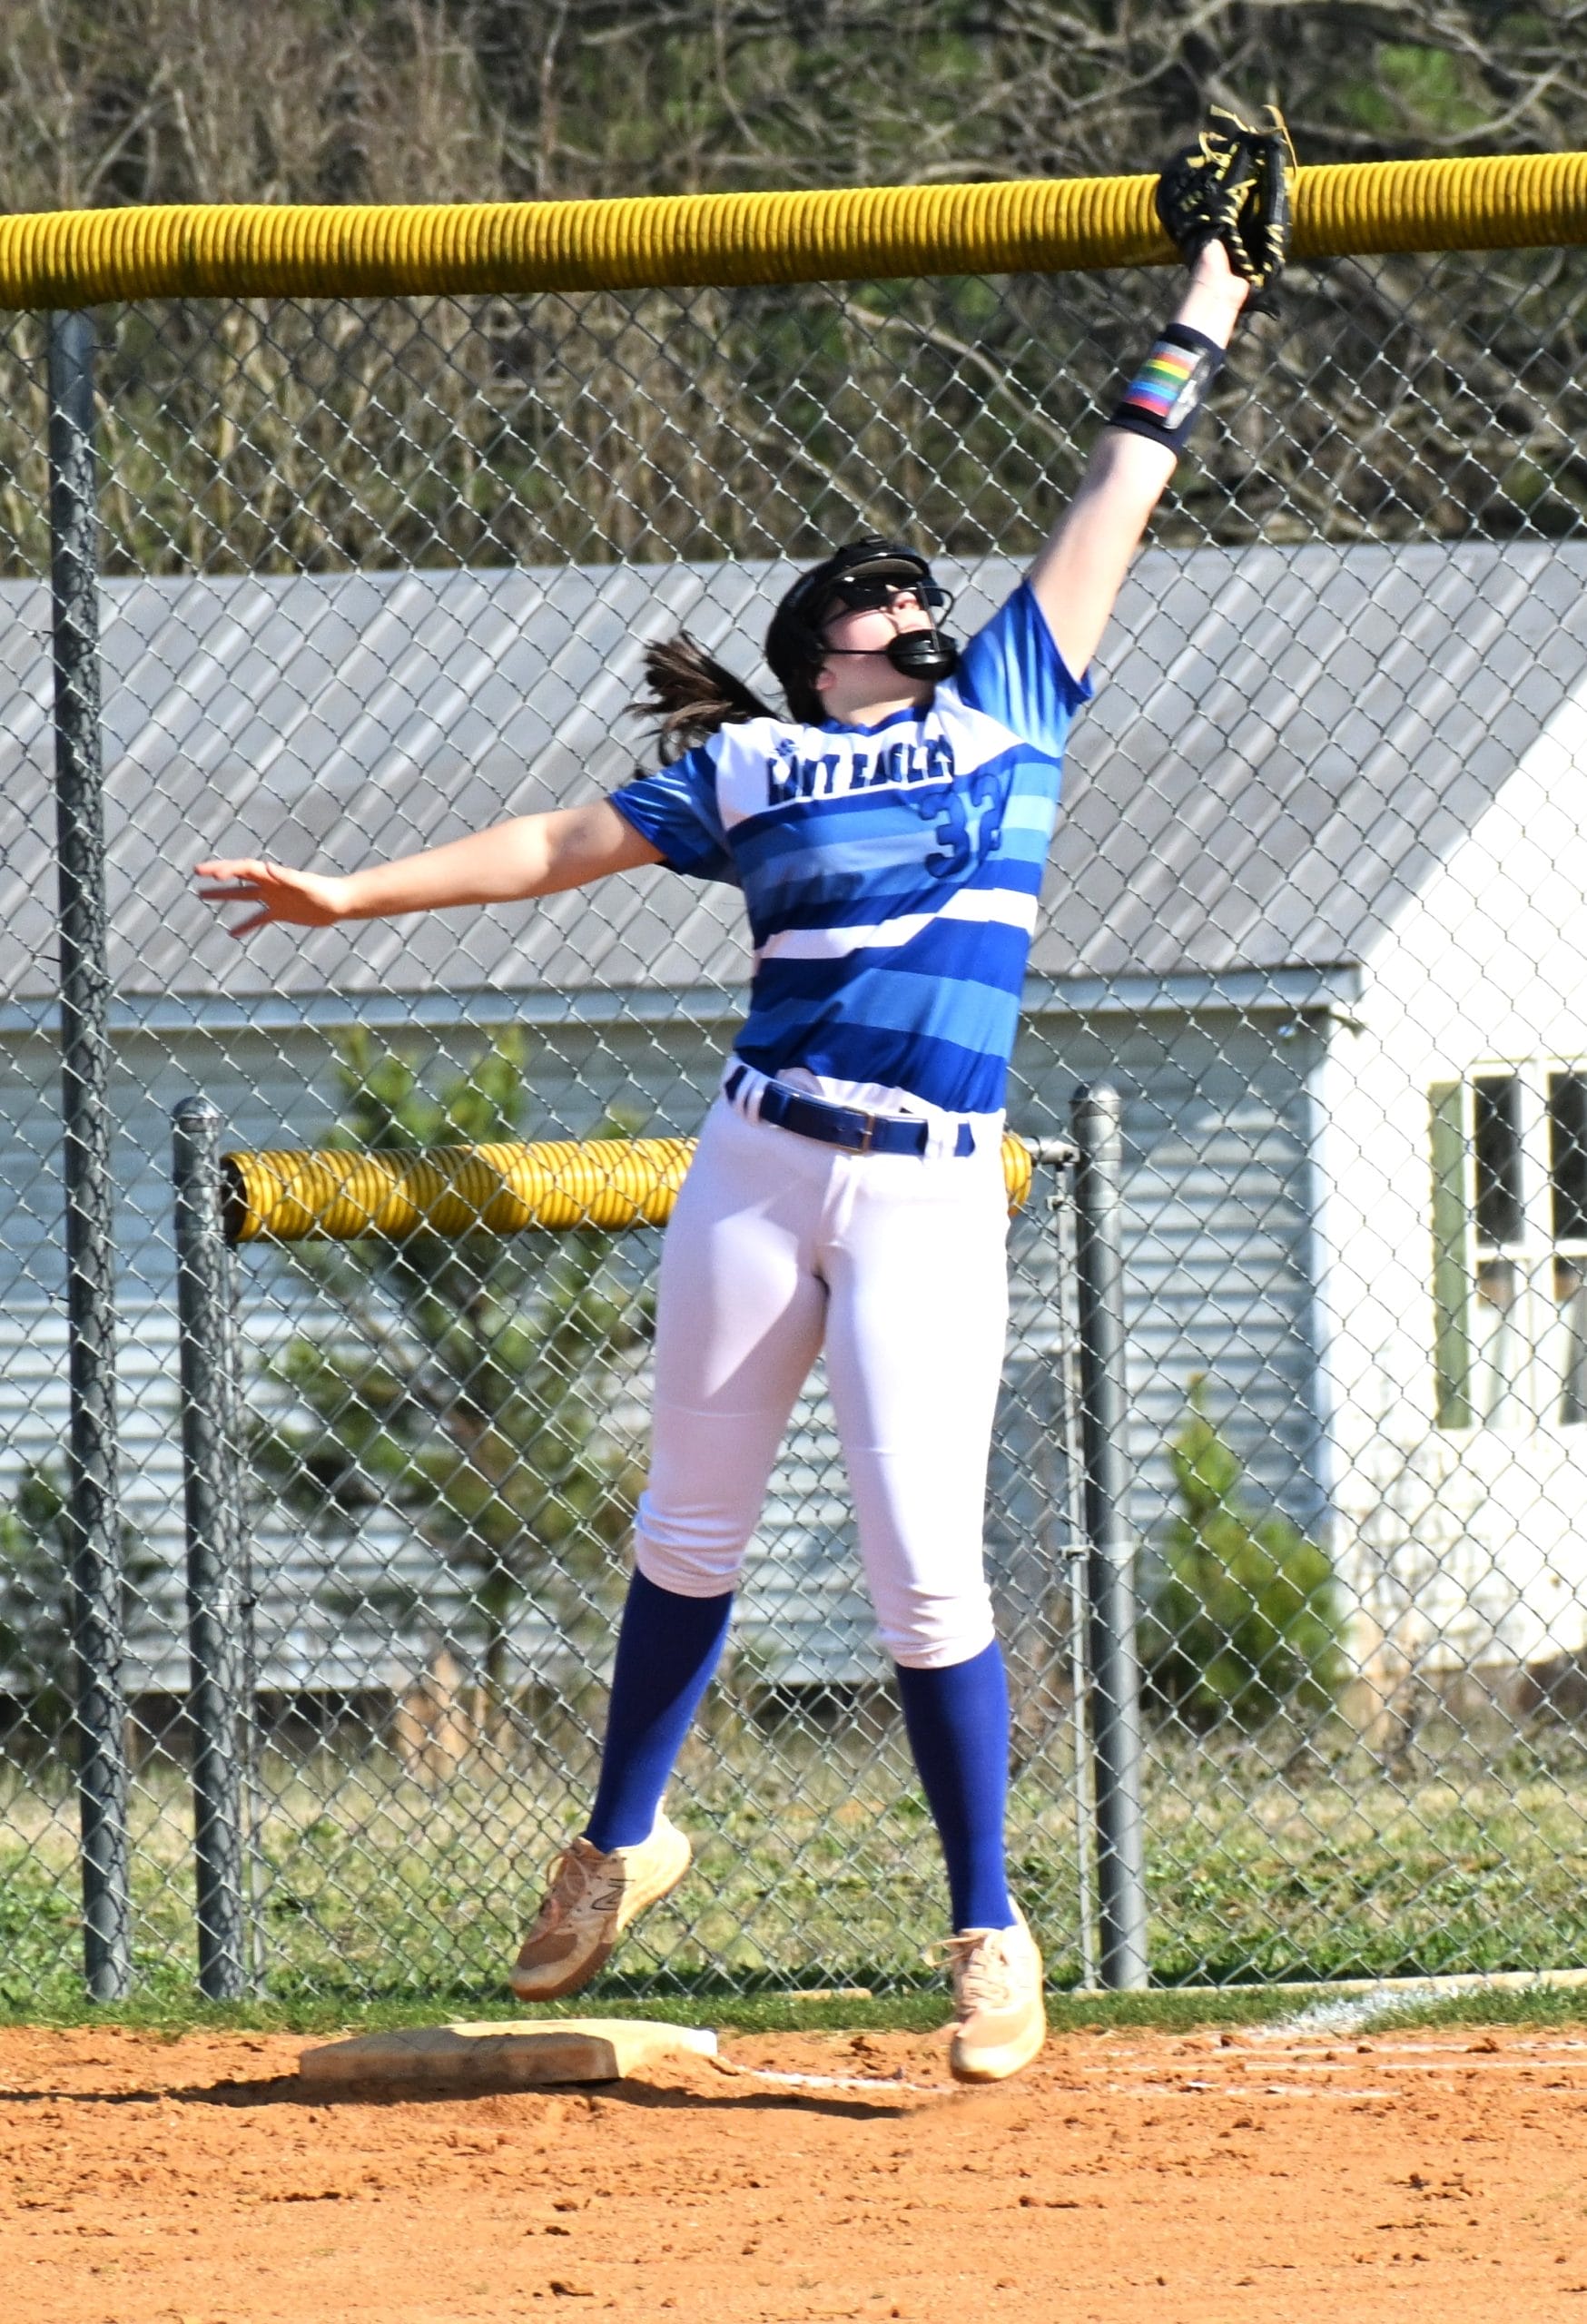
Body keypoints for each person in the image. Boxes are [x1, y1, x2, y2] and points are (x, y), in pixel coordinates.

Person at [199, 213, 1258, 2084]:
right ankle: (619, 1837)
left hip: (928, 1177)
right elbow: (549, 845)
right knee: (687, 1522)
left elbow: (1123, 480)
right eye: (875, 592)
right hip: (760, 1163)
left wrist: (1212, 293)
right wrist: (348, 891)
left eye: (918, 584)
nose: (912, 599)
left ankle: (988, 1926)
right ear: (811, 649)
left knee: (925, 1564)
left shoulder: (1005, 702)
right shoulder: (750, 768)